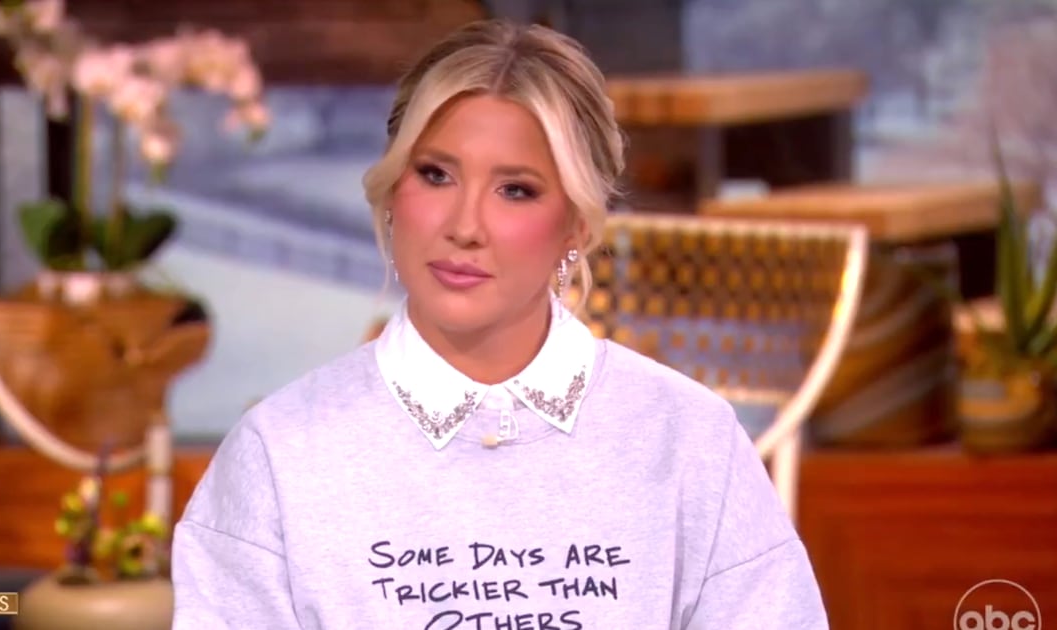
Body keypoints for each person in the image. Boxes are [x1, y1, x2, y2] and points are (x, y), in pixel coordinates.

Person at [170, 18, 829, 630]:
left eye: (515, 190)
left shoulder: (688, 442)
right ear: (394, 191)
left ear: (576, 224)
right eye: (436, 175)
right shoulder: (279, 456)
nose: (465, 226)